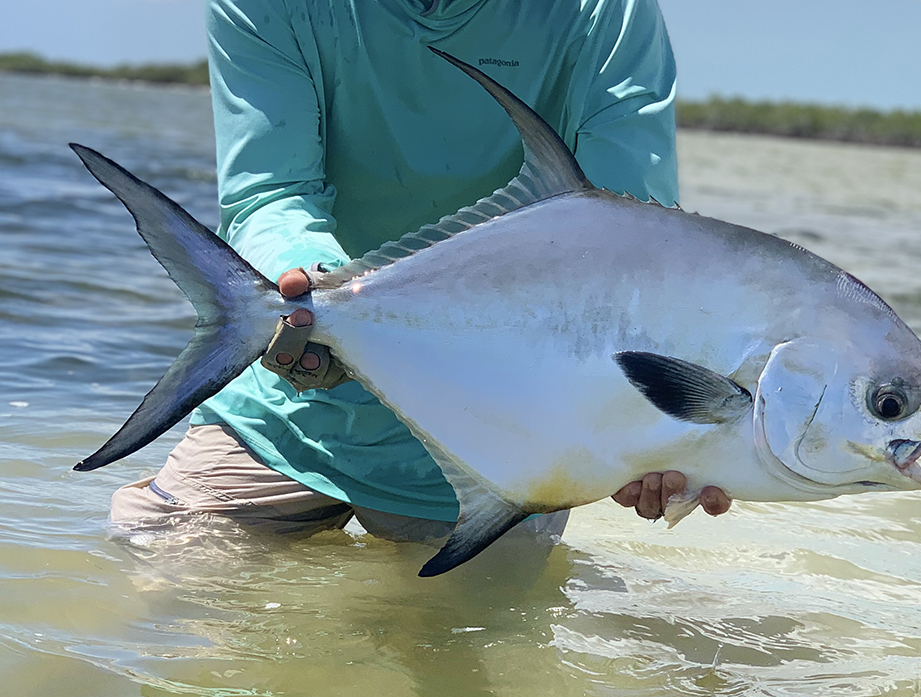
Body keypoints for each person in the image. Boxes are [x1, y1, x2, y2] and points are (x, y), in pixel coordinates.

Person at [111, 0, 731, 541]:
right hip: (287, 411)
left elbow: (633, 254)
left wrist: (645, 437)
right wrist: (308, 298)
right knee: (166, 608)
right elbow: (271, 191)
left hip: (504, 447)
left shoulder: (607, 9)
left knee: (466, 658)